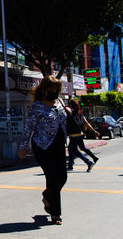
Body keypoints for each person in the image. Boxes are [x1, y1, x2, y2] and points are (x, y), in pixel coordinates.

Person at [18, 76, 67, 225]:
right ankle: (55, 214)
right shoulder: (36, 106)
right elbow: (28, 128)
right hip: (42, 146)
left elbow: (63, 121)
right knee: (52, 178)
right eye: (52, 89)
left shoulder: (60, 102)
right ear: (44, 90)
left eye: (57, 90)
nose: (55, 92)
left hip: (59, 145)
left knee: (63, 177)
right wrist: (23, 147)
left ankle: (47, 196)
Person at [66, 99, 99, 172]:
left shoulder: (72, 112)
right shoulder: (79, 113)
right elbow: (87, 123)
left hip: (74, 134)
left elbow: (67, 109)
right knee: (73, 149)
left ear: (71, 105)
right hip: (79, 134)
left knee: (74, 150)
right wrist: (94, 131)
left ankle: (88, 162)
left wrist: (62, 104)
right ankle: (71, 165)